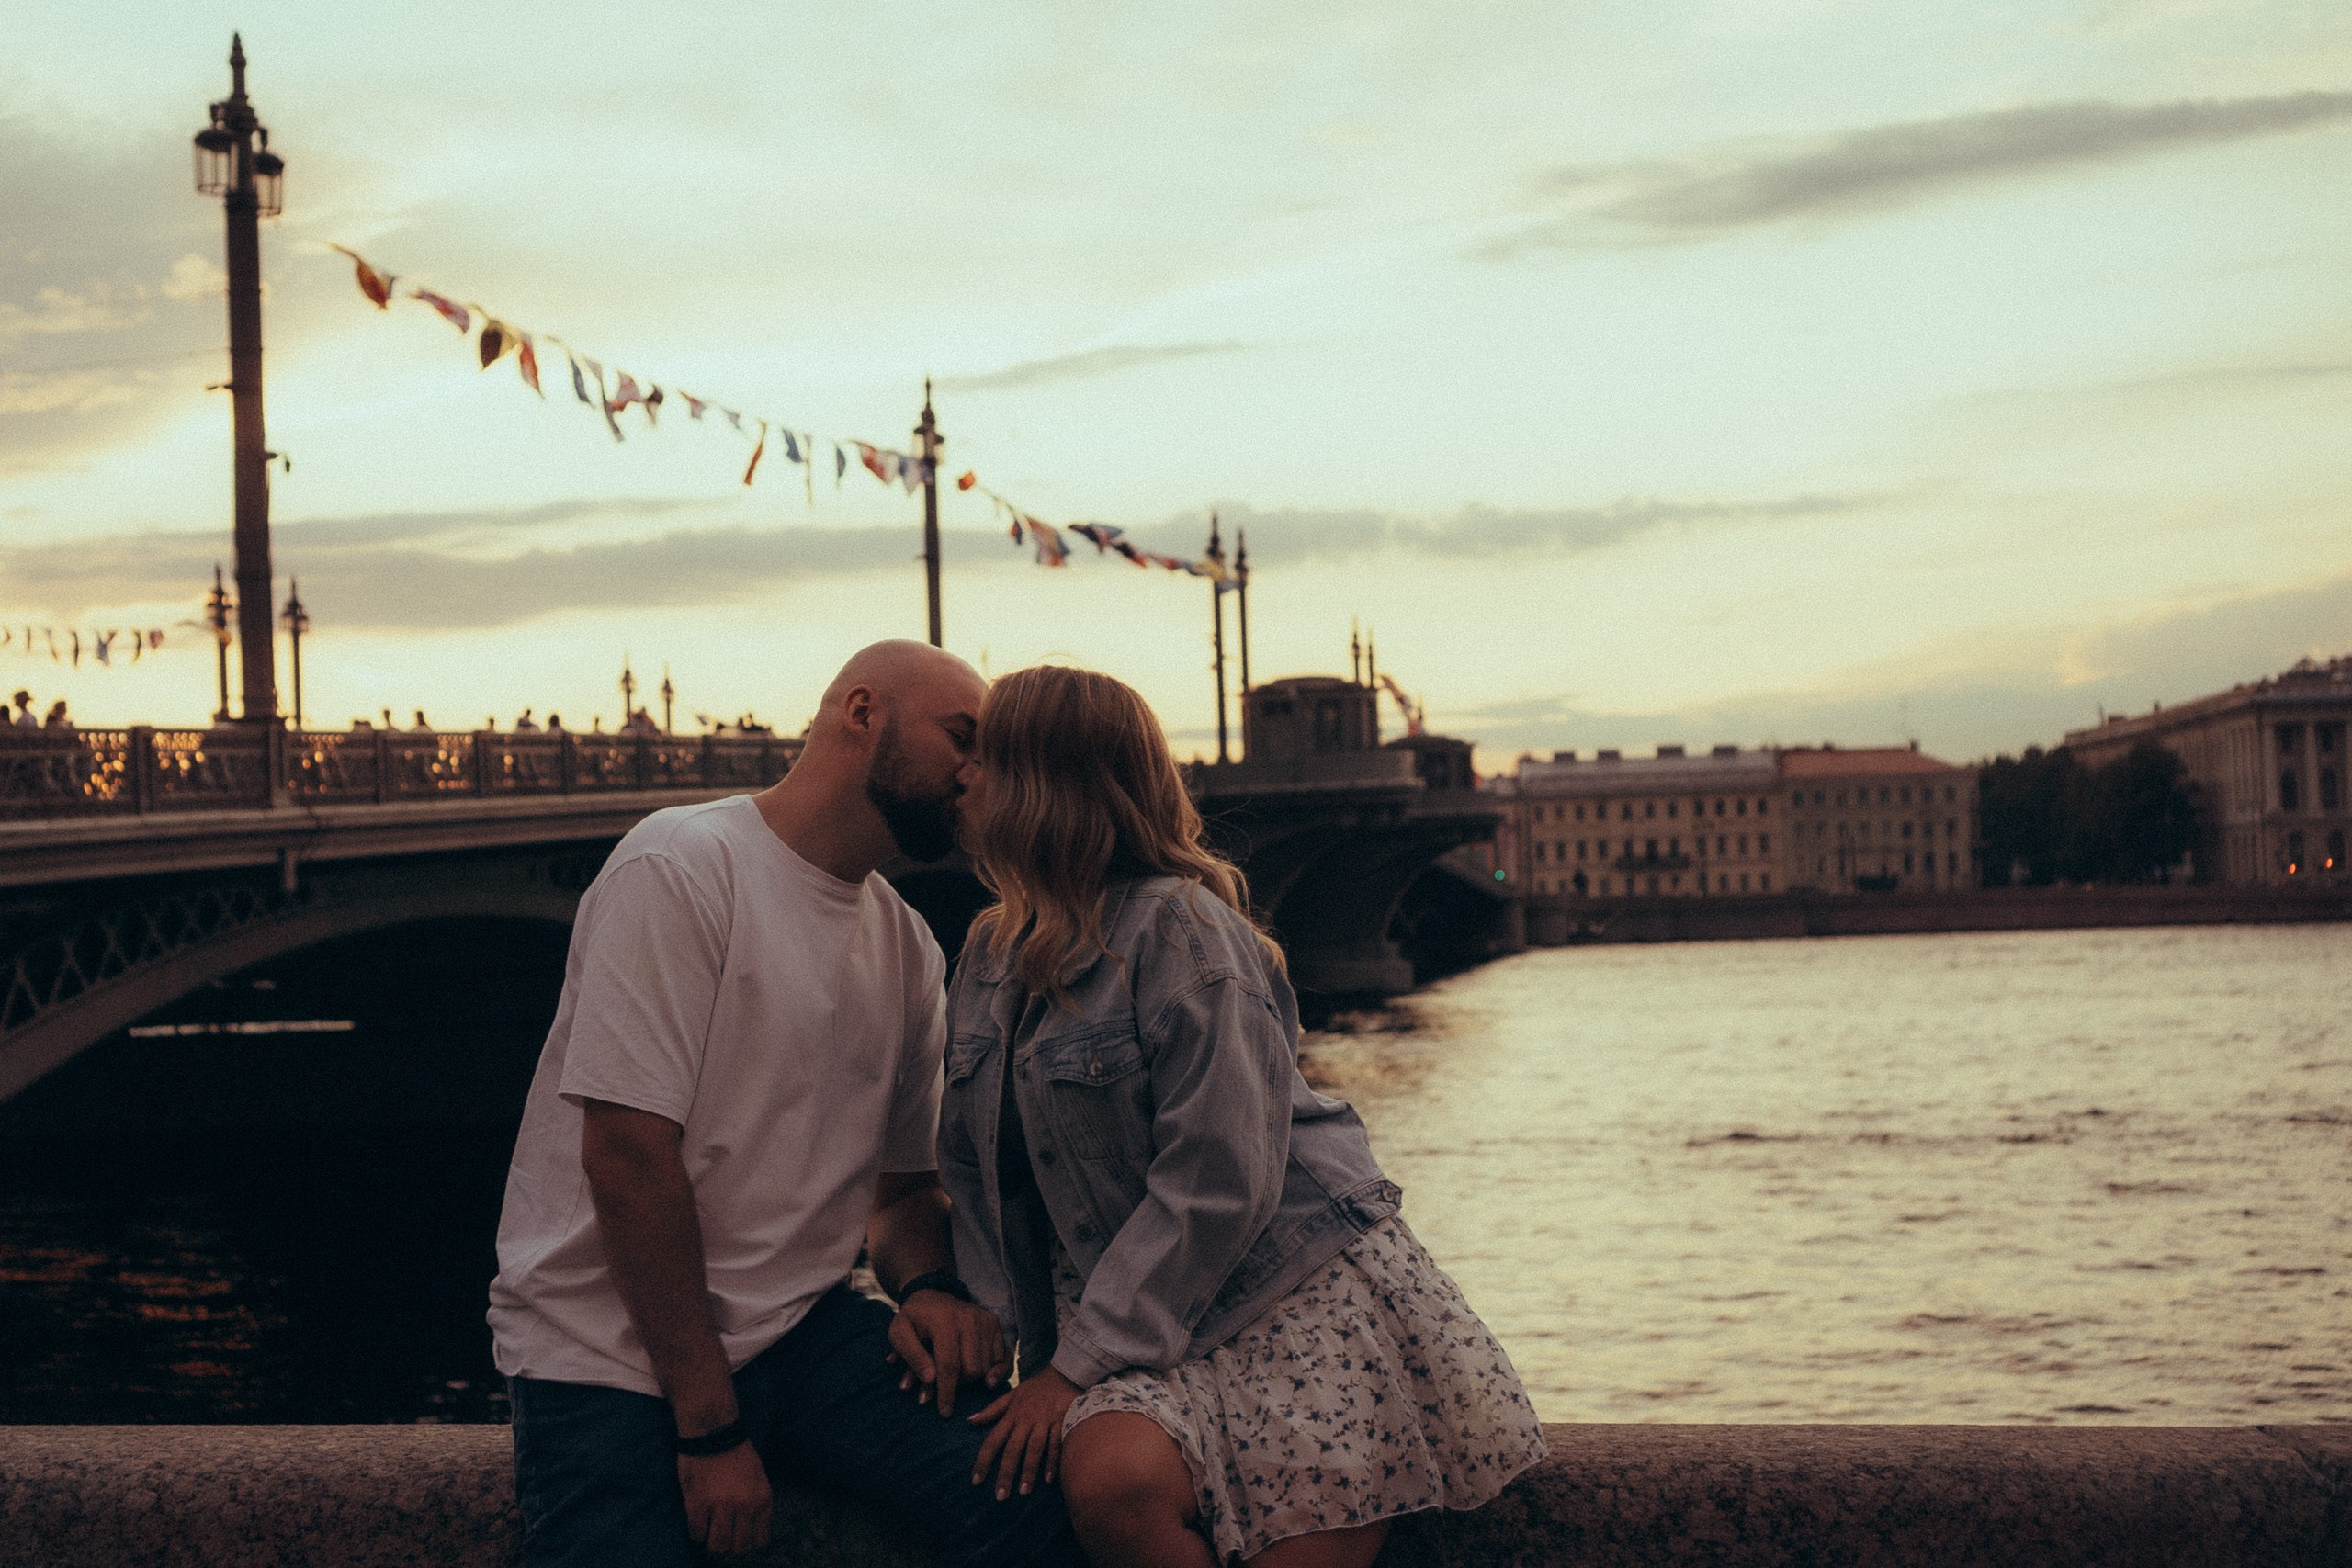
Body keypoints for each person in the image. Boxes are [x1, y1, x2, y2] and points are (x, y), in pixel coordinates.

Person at [488, 640, 1080, 1568]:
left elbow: (902, 1193)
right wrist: (711, 1432)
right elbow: (627, 1157)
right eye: (961, 737)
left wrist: (926, 1287)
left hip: (799, 1338)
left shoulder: (906, 948)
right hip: (611, 1359)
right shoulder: (681, 866)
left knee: (1034, 1494)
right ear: (861, 714)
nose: (978, 773)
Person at [941, 666, 1544, 1568]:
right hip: (1136, 1314)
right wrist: (996, 1339)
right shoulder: (990, 950)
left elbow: (1221, 1178)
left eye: (981, 759)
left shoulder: (1182, 929)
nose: (960, 779)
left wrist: (1069, 1371)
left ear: (1043, 783)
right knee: (1111, 1483)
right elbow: (980, 1179)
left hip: (1288, 1292)